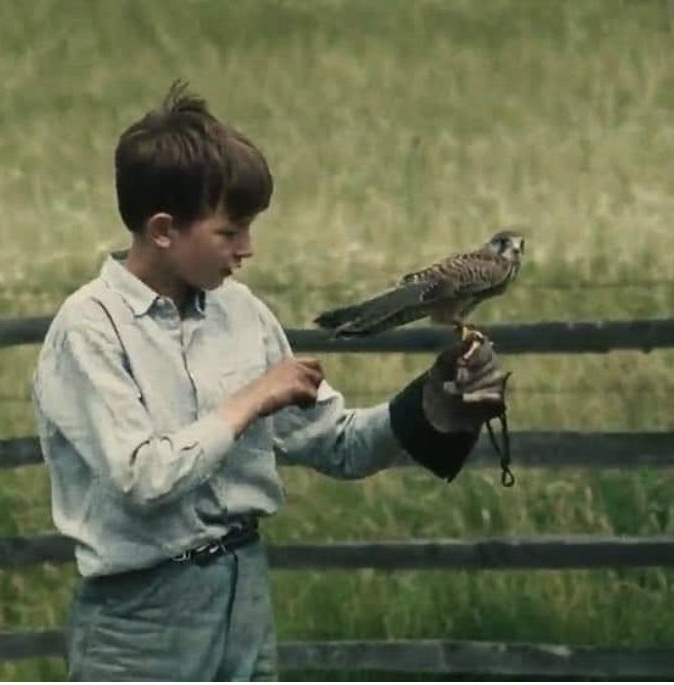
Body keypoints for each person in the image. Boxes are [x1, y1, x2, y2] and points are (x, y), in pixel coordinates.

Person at [31, 81, 509, 681]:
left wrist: (434, 401)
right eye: (229, 231)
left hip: (244, 599)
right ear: (163, 230)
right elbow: (142, 478)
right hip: (139, 623)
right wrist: (253, 398)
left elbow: (340, 444)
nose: (248, 249)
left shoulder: (242, 312)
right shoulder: (90, 330)